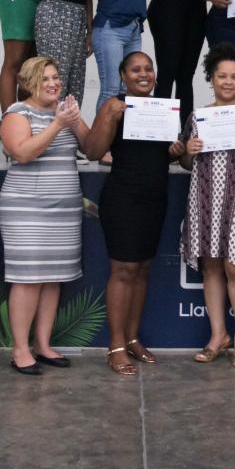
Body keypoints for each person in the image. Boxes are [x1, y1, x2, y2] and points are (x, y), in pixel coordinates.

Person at [84, 52, 185, 375]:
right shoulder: (114, 106)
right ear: (123, 76)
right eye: (136, 70)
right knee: (124, 270)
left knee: (142, 269)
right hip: (123, 198)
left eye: (148, 69)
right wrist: (110, 118)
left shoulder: (163, 109)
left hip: (155, 197)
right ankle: (114, 346)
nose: (144, 74)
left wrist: (177, 151)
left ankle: (131, 338)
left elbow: (163, 156)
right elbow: (93, 151)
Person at [179, 43, 235, 368]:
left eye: (234, 77)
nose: (228, 82)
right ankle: (219, 335)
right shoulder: (198, 116)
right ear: (211, 78)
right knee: (211, 266)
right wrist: (188, 148)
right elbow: (189, 163)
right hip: (204, 200)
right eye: (222, 76)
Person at [0, 56, 89, 375]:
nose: (53, 83)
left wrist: (75, 120)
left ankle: (43, 344)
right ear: (27, 84)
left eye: (55, 77)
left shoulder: (64, 112)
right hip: (26, 208)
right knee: (27, 279)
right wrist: (58, 124)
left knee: (53, 278)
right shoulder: (16, 112)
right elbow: (22, 153)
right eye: (44, 79)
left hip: (64, 209)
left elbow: (91, 147)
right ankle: (20, 349)